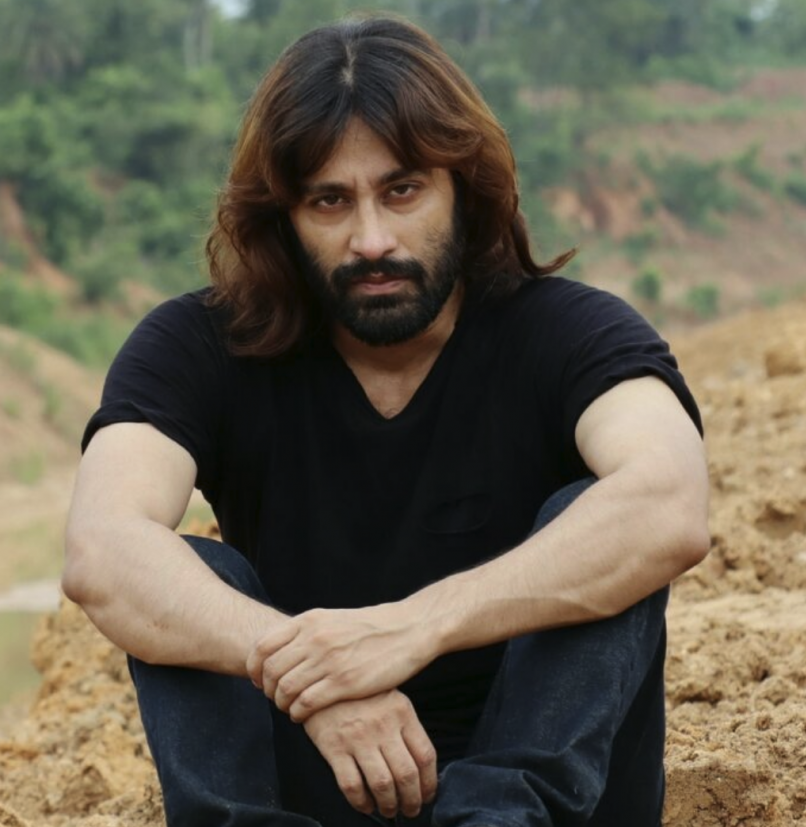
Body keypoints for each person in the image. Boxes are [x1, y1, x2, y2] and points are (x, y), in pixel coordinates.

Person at [61, 13, 709, 827]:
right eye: (329, 200)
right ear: (284, 218)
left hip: (549, 801)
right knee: (190, 576)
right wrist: (312, 675)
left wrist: (411, 629)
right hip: (328, 783)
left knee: (601, 516)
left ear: (463, 188)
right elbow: (103, 547)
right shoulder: (197, 345)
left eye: (402, 190)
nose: (371, 239)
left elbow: (669, 500)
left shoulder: (569, 331)